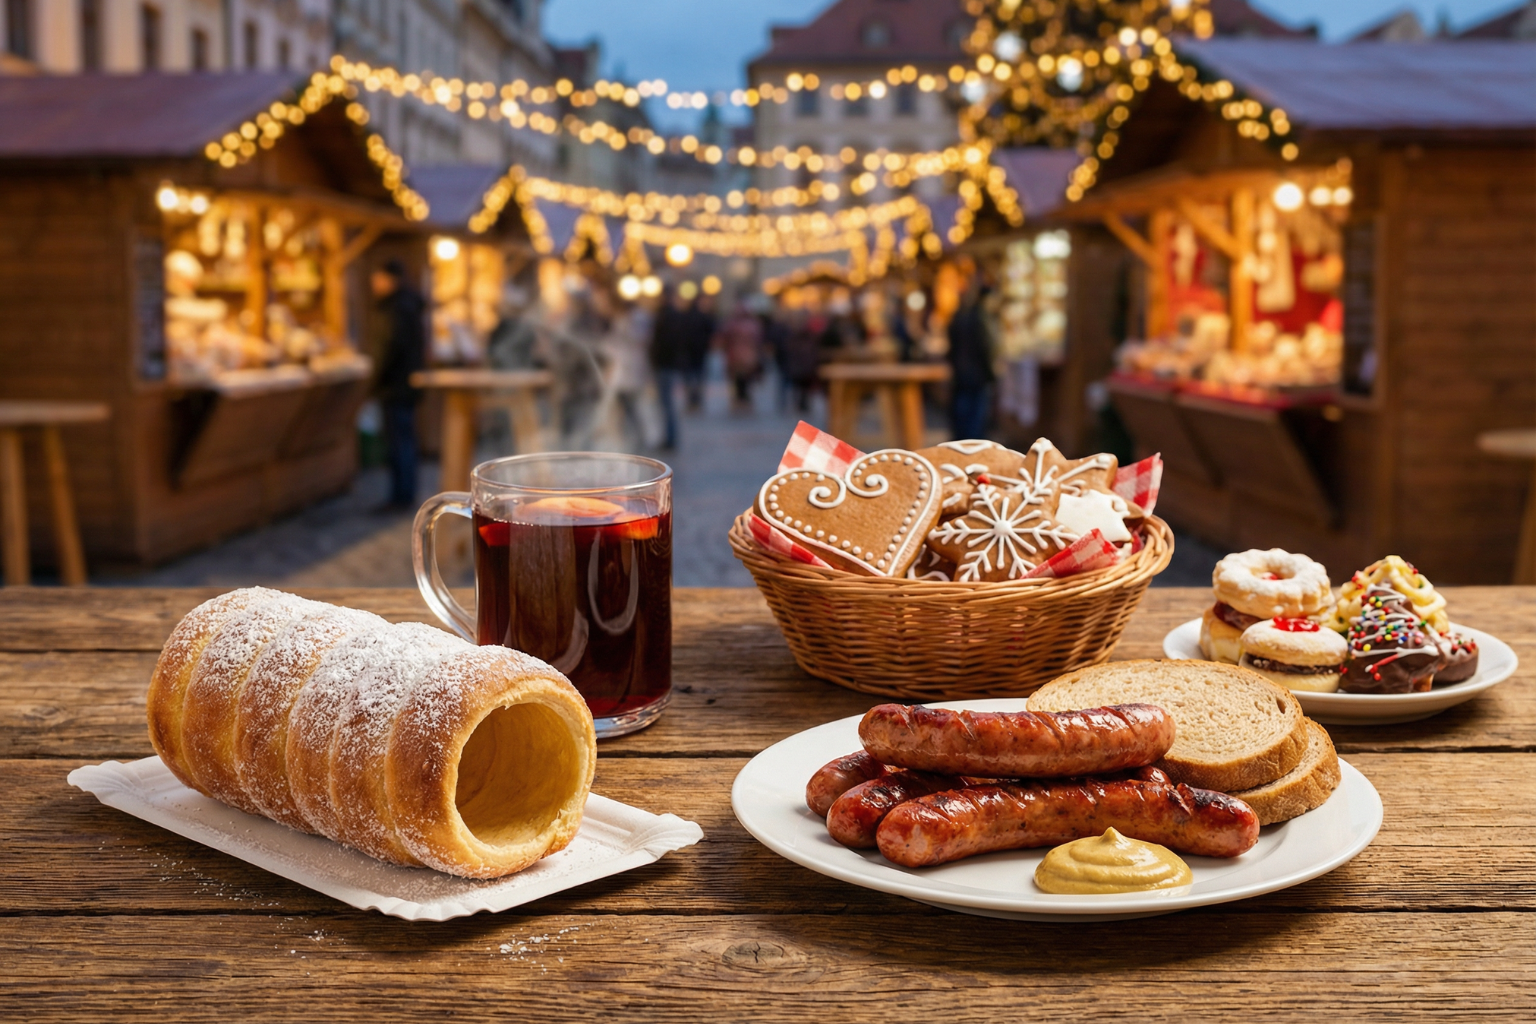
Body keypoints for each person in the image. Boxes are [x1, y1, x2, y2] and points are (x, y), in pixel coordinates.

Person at [370, 259, 426, 512]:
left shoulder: (396, 308)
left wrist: (375, 379)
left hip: (395, 384)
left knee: (399, 442)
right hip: (407, 382)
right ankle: (404, 493)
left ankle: (401, 496)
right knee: (405, 439)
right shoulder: (410, 304)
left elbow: (391, 347)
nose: (374, 284)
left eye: (378, 278)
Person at [947, 277, 996, 440]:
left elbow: (952, 346)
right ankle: (972, 445)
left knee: (962, 412)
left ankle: (962, 443)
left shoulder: (957, 316)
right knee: (975, 416)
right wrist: (991, 373)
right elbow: (985, 348)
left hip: (961, 373)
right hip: (976, 374)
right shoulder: (979, 318)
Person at [648, 287, 690, 450]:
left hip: (666, 364)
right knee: (666, 404)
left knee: (666, 404)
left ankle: (670, 438)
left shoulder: (668, 315)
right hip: (667, 363)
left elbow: (666, 342)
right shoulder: (670, 314)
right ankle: (668, 436)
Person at [719, 302, 765, 411]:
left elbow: (724, 338)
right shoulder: (753, 324)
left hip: (736, 355)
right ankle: (744, 398)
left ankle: (740, 398)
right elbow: (759, 340)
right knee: (746, 378)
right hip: (748, 355)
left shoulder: (732, 324)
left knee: (739, 379)